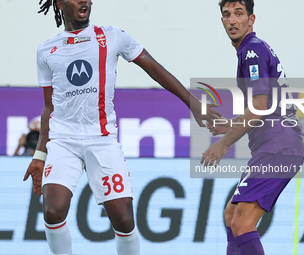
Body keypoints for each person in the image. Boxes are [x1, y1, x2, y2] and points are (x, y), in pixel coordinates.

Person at [23, 1, 220, 255]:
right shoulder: (46, 50)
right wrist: (40, 155)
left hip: (102, 139)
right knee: (52, 211)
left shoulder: (111, 36)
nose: (84, 0)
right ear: (59, 3)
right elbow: (49, 108)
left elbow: (154, 68)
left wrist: (193, 103)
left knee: (124, 219)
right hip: (63, 141)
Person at [200, 1, 304, 254]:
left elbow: (259, 106)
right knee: (231, 215)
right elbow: (264, 108)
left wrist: (224, 144)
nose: (232, 20)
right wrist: (230, 125)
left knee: (242, 222)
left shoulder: (251, 52)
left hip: (277, 145)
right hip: (278, 144)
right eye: (226, 15)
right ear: (222, 21)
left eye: (239, 13)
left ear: (251, 18)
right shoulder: (253, 49)